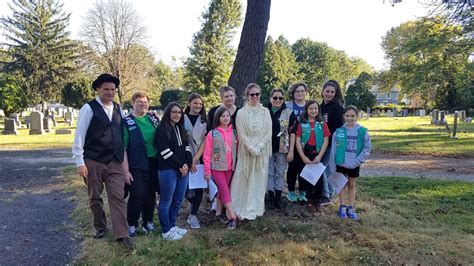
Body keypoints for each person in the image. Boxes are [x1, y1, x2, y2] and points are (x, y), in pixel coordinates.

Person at [72, 73, 133, 249]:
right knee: (95, 196)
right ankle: (100, 227)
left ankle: (122, 234)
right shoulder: (88, 108)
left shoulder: (118, 108)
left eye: (113, 90)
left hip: (114, 161)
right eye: (106, 89)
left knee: (118, 197)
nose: (110, 93)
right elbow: (79, 136)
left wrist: (124, 162)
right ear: (98, 89)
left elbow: (120, 134)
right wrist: (80, 162)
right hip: (93, 160)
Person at [230, 83, 272, 220]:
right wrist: (250, 148)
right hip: (246, 151)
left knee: (259, 180)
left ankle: (255, 207)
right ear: (247, 96)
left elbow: (268, 132)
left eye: (257, 94)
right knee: (243, 178)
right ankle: (240, 206)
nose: (255, 97)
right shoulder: (241, 113)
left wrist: (259, 147)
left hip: (261, 152)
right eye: (252, 94)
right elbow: (241, 133)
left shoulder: (265, 112)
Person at [122, 92, 159, 237]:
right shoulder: (127, 122)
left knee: (151, 193)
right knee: (137, 194)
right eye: (139, 102)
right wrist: (125, 171)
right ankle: (131, 224)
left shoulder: (153, 119)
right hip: (136, 163)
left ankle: (148, 221)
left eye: (145, 102)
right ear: (133, 104)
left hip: (153, 162)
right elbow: (123, 149)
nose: (143, 104)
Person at [154, 102, 192, 241]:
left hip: (183, 170)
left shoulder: (181, 128)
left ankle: (172, 225)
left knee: (178, 200)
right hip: (168, 170)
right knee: (166, 201)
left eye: (179, 112)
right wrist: (180, 166)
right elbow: (165, 152)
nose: (177, 114)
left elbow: (187, 148)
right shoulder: (162, 130)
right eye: (174, 112)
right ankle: (166, 230)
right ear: (168, 113)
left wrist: (187, 165)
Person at [329, 105, 371, 220]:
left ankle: (351, 207)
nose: (350, 118)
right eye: (347, 116)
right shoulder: (339, 132)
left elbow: (366, 148)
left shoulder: (363, 132)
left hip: (354, 164)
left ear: (357, 116)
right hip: (341, 163)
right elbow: (333, 149)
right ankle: (342, 206)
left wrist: (358, 161)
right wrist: (333, 163)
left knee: (351, 185)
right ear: (343, 117)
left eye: (352, 116)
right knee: (341, 184)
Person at [203, 107, 238, 229]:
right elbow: (207, 154)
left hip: (230, 167)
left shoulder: (234, 132)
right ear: (218, 118)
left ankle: (218, 213)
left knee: (224, 190)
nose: (226, 118)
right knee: (224, 190)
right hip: (217, 168)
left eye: (227, 116)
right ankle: (233, 217)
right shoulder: (212, 133)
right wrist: (207, 170)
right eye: (223, 116)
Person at [295, 100, 330, 213]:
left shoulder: (322, 124)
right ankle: (309, 200)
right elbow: (297, 140)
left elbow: (326, 140)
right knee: (307, 178)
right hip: (305, 154)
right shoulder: (302, 123)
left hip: (317, 154)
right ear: (306, 110)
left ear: (318, 110)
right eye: (311, 109)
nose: (313, 111)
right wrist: (303, 157)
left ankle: (317, 200)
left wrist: (320, 156)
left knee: (318, 179)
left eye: (315, 108)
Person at [267, 88, 295, 209]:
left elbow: (293, 132)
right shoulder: (264, 111)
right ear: (270, 98)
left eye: (280, 98)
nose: (278, 100)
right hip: (267, 147)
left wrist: (291, 151)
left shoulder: (289, 112)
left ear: (284, 99)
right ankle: (270, 196)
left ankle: (278, 197)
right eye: (275, 98)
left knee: (279, 173)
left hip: (282, 148)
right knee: (269, 172)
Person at [183, 93, 208, 229]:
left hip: (199, 158)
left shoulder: (204, 120)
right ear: (189, 104)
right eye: (195, 103)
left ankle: (193, 215)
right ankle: (192, 202)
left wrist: (195, 158)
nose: (198, 105)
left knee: (198, 188)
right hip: (184, 157)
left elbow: (205, 142)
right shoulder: (182, 118)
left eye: (200, 103)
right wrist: (189, 160)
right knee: (185, 189)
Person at [320, 80, 345, 205]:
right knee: (321, 167)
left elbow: (340, 128)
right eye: (327, 91)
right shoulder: (320, 107)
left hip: (332, 143)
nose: (329, 94)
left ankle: (327, 194)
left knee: (326, 168)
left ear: (335, 93)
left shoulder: (337, 108)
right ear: (323, 92)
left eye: (332, 92)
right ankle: (325, 192)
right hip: (321, 143)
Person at [285, 82, 308, 203]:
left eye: (302, 91)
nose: (299, 93)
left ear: (305, 92)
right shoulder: (288, 106)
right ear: (293, 93)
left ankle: (303, 192)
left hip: (306, 142)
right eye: (297, 91)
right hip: (291, 141)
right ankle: (291, 191)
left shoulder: (309, 105)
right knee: (292, 167)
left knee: (304, 167)